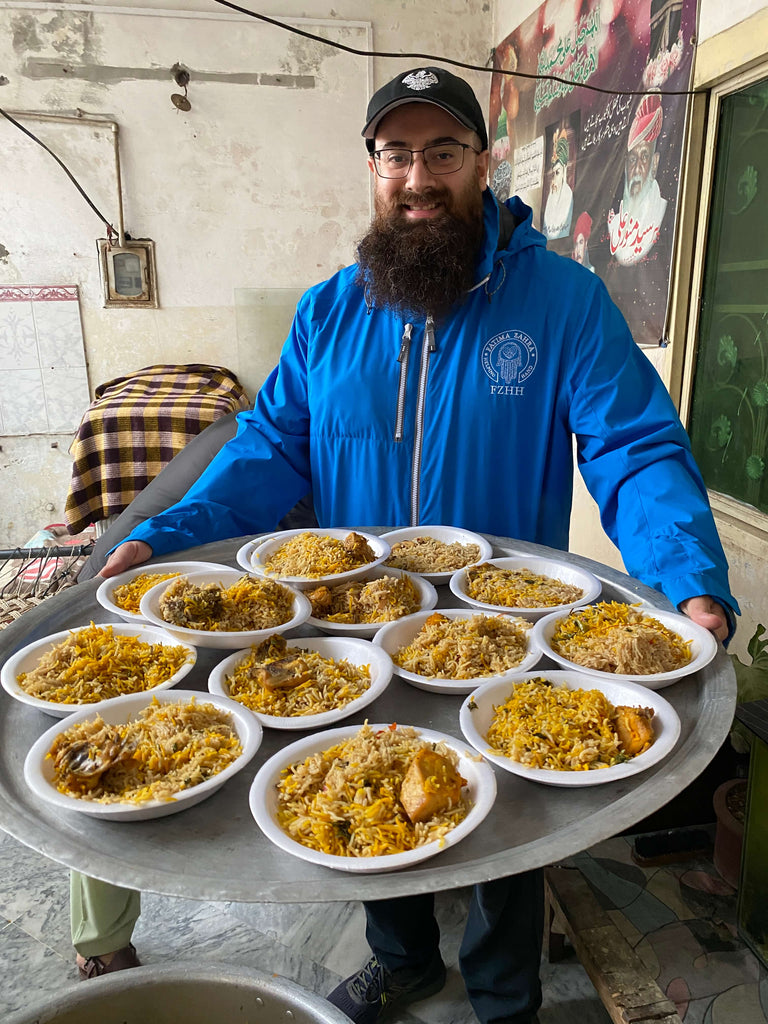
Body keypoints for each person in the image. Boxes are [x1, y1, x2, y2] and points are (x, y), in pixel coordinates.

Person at [95, 66, 735, 1024]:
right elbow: (268, 449)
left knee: (512, 816)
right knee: (363, 785)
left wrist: (685, 575)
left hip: (499, 629)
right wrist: (168, 536)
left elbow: (633, 448)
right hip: (358, 628)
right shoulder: (330, 312)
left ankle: (505, 996)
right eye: (396, 154)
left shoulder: (562, 302)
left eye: (443, 152)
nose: (418, 178)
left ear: (482, 162)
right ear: (372, 167)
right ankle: (402, 961)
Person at [607, 93, 668, 266]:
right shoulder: (615, 224)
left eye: (644, 157)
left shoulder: (662, 216)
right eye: (633, 159)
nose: (637, 168)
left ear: (654, 164)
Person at [542, 127, 573, 240]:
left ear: (564, 170)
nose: (554, 180)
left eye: (558, 173)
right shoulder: (551, 196)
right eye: (553, 174)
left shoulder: (567, 195)